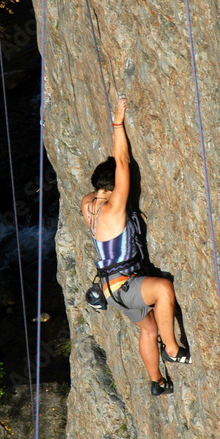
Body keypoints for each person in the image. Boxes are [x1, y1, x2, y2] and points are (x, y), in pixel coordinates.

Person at [81, 98, 190, 395]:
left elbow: (113, 171)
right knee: (163, 289)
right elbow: (122, 162)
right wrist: (118, 124)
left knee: (148, 328)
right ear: (113, 188)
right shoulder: (113, 208)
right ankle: (171, 349)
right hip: (126, 287)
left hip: (110, 290)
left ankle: (157, 382)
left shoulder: (88, 204)